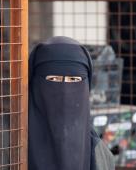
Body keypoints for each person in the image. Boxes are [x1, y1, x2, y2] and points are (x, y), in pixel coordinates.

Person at [28, 36, 115, 170]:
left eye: (74, 79)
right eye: (54, 79)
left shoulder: (101, 156)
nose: (65, 90)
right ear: (35, 83)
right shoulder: (4, 144)